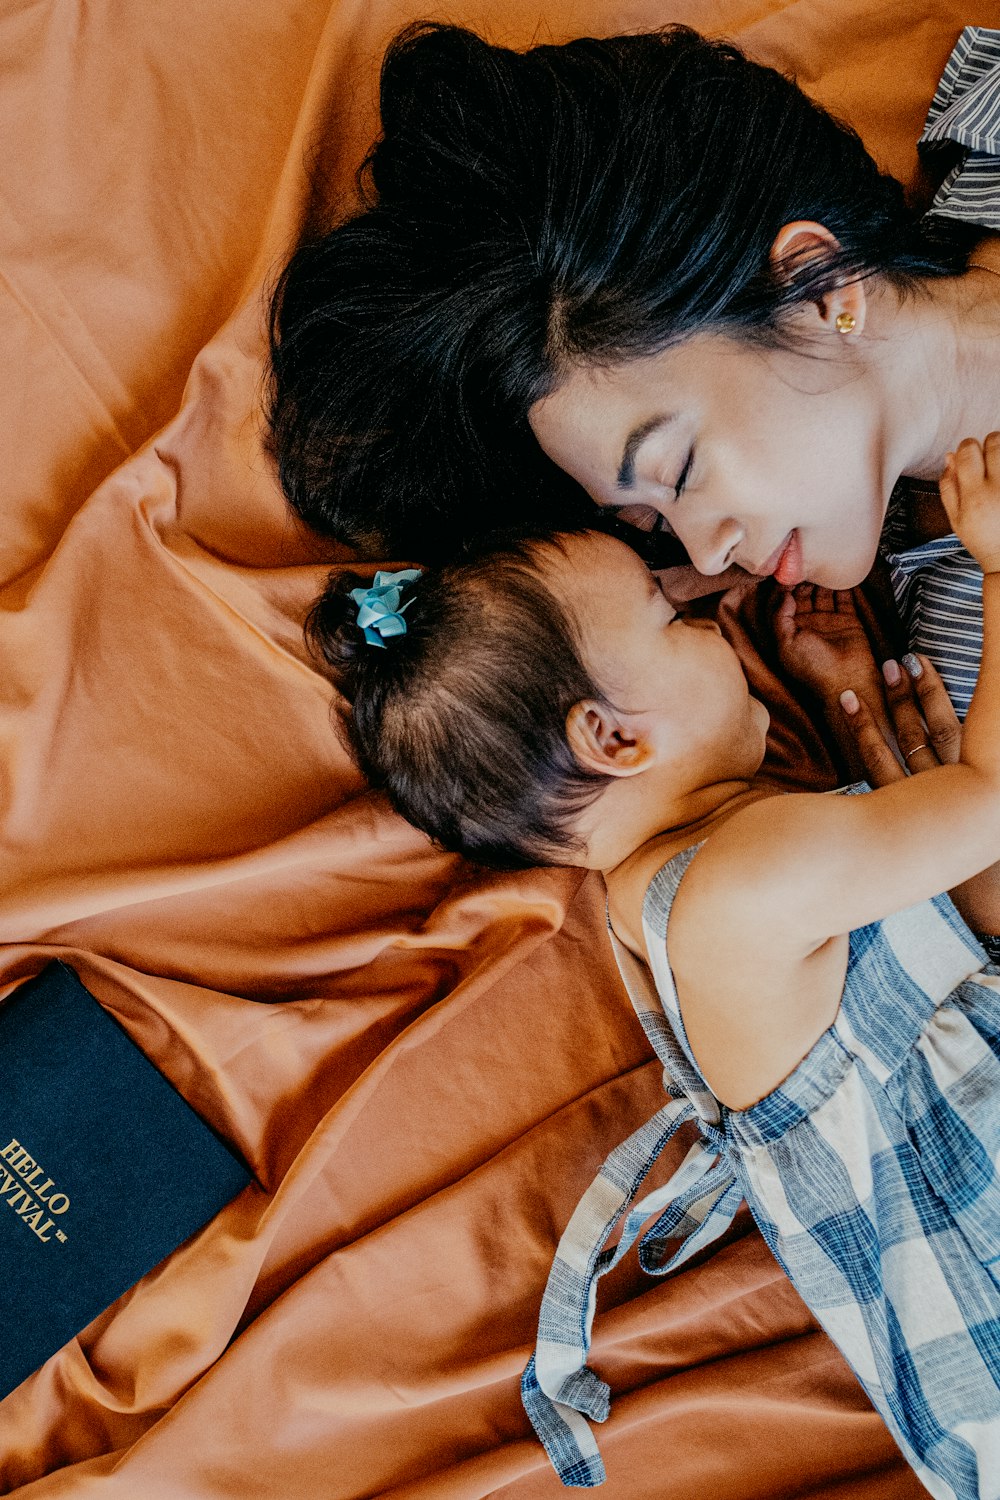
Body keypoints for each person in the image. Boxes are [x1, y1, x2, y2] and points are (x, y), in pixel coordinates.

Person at [310, 436, 1000, 1497]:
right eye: (671, 617)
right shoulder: (739, 889)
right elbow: (987, 803)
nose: (713, 612)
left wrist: (848, 703)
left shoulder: (672, 900)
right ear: (613, 738)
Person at [268, 22, 1000, 720]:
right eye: (653, 519)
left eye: (677, 472)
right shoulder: (964, 675)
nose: (708, 552)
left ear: (818, 287)